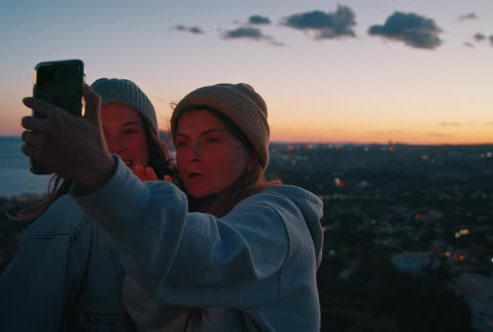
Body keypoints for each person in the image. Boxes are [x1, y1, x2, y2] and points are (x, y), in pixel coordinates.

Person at [21, 82, 324, 331]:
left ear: (251, 153)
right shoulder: (201, 219)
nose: (191, 154)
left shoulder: (279, 219)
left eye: (211, 139)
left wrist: (103, 176)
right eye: (181, 142)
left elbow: (205, 254)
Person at [0, 78, 175, 331]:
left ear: (149, 138)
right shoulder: (71, 220)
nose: (114, 147)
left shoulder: (182, 209)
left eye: (129, 131)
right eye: (101, 132)